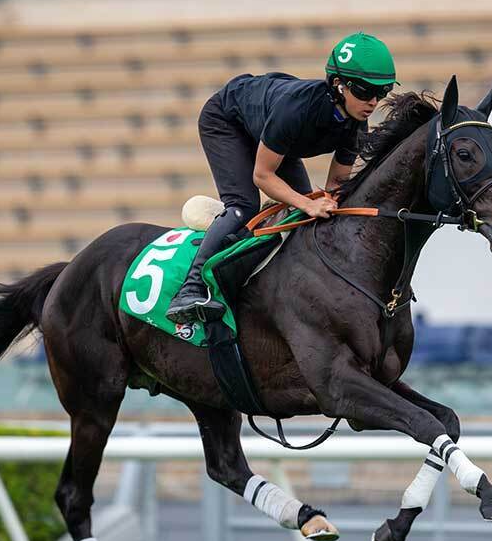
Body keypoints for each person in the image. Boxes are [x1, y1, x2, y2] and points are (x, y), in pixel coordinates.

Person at [165, 32, 397, 324]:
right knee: (244, 205)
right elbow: (262, 176)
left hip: (269, 129)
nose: (374, 102)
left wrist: (324, 203)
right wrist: (308, 203)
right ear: (339, 85)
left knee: (303, 213)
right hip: (227, 121)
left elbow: (335, 187)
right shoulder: (297, 110)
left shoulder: (355, 126)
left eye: (383, 91)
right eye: (365, 91)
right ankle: (191, 288)